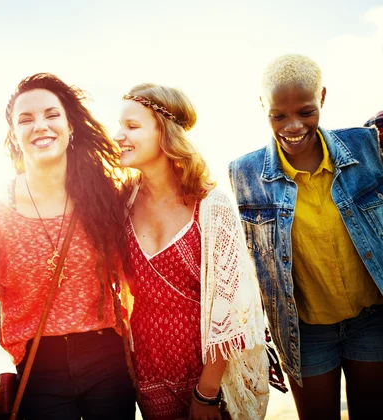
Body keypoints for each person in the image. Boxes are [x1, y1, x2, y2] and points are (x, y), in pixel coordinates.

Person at [0, 74, 136, 420]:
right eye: (25, 119)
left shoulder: (106, 195)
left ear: (70, 126)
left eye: (51, 114)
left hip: (107, 359)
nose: (40, 125)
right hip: (37, 367)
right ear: (14, 135)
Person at [229, 54, 383, 419]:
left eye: (306, 111)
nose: (293, 125)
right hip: (304, 330)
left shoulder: (366, 146)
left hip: (370, 318)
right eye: (278, 115)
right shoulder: (245, 172)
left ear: (323, 98)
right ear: (263, 106)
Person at [114, 85, 269, 420]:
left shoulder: (211, 207)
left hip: (212, 377)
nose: (118, 135)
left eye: (132, 126)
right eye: (119, 126)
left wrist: (207, 392)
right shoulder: (120, 204)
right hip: (149, 374)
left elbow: (233, 306)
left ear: (164, 131)